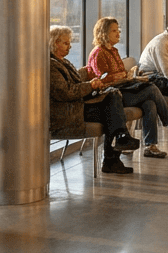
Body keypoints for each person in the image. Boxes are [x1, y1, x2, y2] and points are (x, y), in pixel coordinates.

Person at [87, 17, 168, 158]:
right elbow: (102, 81)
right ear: (103, 33)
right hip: (110, 97)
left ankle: (151, 146)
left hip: (122, 89)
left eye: (118, 30)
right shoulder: (98, 53)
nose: (118, 33)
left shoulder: (113, 51)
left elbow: (120, 74)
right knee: (151, 89)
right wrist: (121, 76)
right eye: (114, 30)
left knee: (149, 103)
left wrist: (129, 76)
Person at [49, 25, 141, 175]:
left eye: (69, 43)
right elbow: (66, 92)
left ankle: (119, 143)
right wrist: (90, 85)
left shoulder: (62, 62)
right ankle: (114, 152)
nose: (70, 46)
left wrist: (92, 85)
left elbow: (75, 86)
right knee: (113, 109)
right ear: (54, 43)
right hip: (69, 113)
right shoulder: (52, 65)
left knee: (112, 98)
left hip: (78, 106)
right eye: (66, 43)